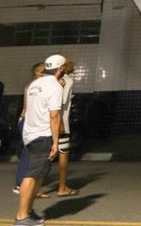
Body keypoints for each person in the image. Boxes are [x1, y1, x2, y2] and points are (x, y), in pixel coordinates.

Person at [14, 54, 65, 226]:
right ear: (60, 69)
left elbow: (28, 109)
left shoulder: (34, 85)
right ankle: (22, 217)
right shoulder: (55, 86)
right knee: (32, 175)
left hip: (30, 133)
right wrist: (56, 142)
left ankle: (28, 210)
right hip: (43, 135)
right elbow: (54, 116)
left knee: (40, 174)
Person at [13, 63, 46, 195]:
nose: (44, 73)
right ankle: (22, 185)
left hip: (27, 121)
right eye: (42, 71)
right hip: (28, 122)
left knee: (29, 154)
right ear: (36, 72)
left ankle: (23, 184)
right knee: (30, 155)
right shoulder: (34, 87)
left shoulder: (35, 86)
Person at [56, 59, 77, 196]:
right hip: (60, 121)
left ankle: (35, 188)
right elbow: (60, 101)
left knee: (44, 156)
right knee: (63, 155)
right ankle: (62, 187)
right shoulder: (67, 80)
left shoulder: (52, 81)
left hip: (47, 123)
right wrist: (61, 123)